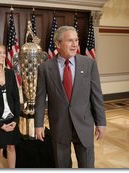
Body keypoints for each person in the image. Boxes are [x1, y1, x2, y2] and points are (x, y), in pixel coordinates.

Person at [34, 26, 106, 168]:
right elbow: (40, 98)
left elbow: (96, 95)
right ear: (58, 44)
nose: (75, 45)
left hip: (84, 125)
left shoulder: (89, 64)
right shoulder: (45, 68)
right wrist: (38, 124)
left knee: (87, 166)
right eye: (70, 41)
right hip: (59, 125)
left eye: (76, 40)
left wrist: (101, 122)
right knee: (62, 165)